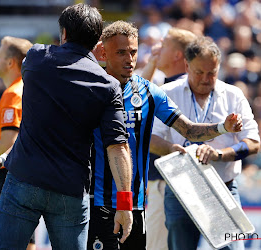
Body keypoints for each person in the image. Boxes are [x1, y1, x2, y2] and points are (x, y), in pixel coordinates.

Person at [0, 4, 133, 250]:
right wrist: (124, 204)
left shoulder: (37, 59)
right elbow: (118, 147)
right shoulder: (109, 86)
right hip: (70, 190)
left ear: (64, 33)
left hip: (24, 181)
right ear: (97, 42)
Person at [87, 21, 242, 250]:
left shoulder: (148, 91)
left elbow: (188, 129)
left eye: (133, 52)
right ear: (103, 52)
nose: (129, 59)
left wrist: (222, 127)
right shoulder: (89, 87)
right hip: (94, 200)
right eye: (121, 52)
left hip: (135, 204)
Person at [150, 36, 260, 250]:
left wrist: (219, 154)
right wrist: (173, 150)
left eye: (212, 72)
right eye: (199, 72)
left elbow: (254, 142)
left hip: (224, 187)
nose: (206, 79)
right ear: (187, 65)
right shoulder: (167, 93)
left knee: (232, 248)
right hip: (181, 188)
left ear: (219, 67)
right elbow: (151, 139)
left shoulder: (233, 94)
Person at [141, 27, 197, 250]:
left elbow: (130, 98)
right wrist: (153, 62)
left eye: (163, 46)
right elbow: (131, 94)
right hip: (168, 182)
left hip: (167, 182)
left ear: (177, 55)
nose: (156, 49)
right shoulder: (172, 86)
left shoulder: (179, 89)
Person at [0, 36, 35, 250]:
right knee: (27, 239)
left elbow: (9, 139)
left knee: (9, 241)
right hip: (26, 172)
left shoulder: (14, 93)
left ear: (9, 62)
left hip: (10, 173)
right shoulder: (27, 89)